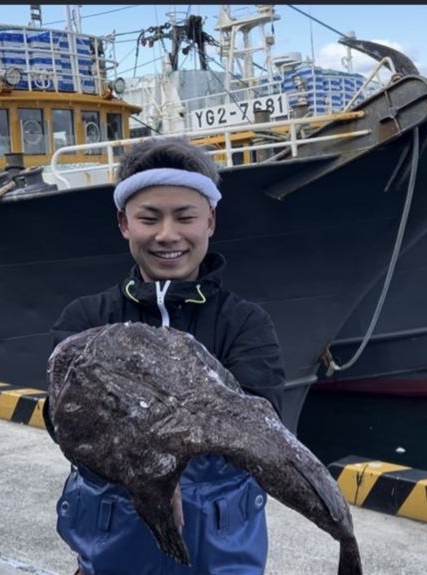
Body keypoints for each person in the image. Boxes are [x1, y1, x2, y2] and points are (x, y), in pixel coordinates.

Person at [43, 138, 287, 575]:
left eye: (185, 217)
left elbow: (260, 421)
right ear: (124, 223)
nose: (167, 235)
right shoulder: (85, 317)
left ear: (210, 221)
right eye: (149, 218)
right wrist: (153, 458)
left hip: (223, 554)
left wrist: (141, 443)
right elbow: (61, 415)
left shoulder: (246, 323)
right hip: (110, 551)